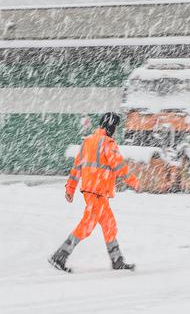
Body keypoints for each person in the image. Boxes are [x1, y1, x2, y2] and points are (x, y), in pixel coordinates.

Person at [48, 112, 140, 273]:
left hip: (91, 192)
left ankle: (117, 260)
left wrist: (70, 188)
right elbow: (119, 167)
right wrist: (134, 182)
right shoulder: (108, 143)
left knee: (108, 225)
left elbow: (76, 167)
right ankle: (60, 256)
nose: (115, 130)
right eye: (115, 127)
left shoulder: (87, 142)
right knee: (87, 225)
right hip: (98, 192)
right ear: (111, 126)